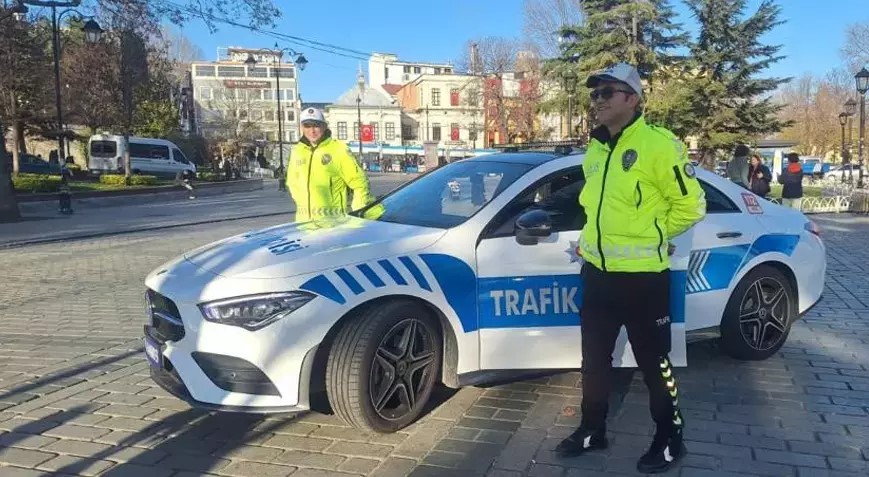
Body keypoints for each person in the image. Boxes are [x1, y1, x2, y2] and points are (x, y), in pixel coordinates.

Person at [555, 63, 706, 474]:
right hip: (599, 275)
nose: (598, 100)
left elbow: (691, 205)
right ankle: (592, 430)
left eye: (607, 92)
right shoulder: (597, 148)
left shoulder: (658, 145)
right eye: (595, 94)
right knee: (594, 361)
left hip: (642, 279)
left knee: (655, 363)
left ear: (632, 98)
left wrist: (654, 234)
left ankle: (671, 439)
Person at [287, 107, 374, 222]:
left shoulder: (338, 149)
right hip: (304, 223)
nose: (312, 131)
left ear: (324, 126)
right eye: (307, 126)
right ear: (302, 127)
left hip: (333, 223)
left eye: (316, 125)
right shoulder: (297, 151)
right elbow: (292, 182)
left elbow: (359, 183)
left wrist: (358, 214)